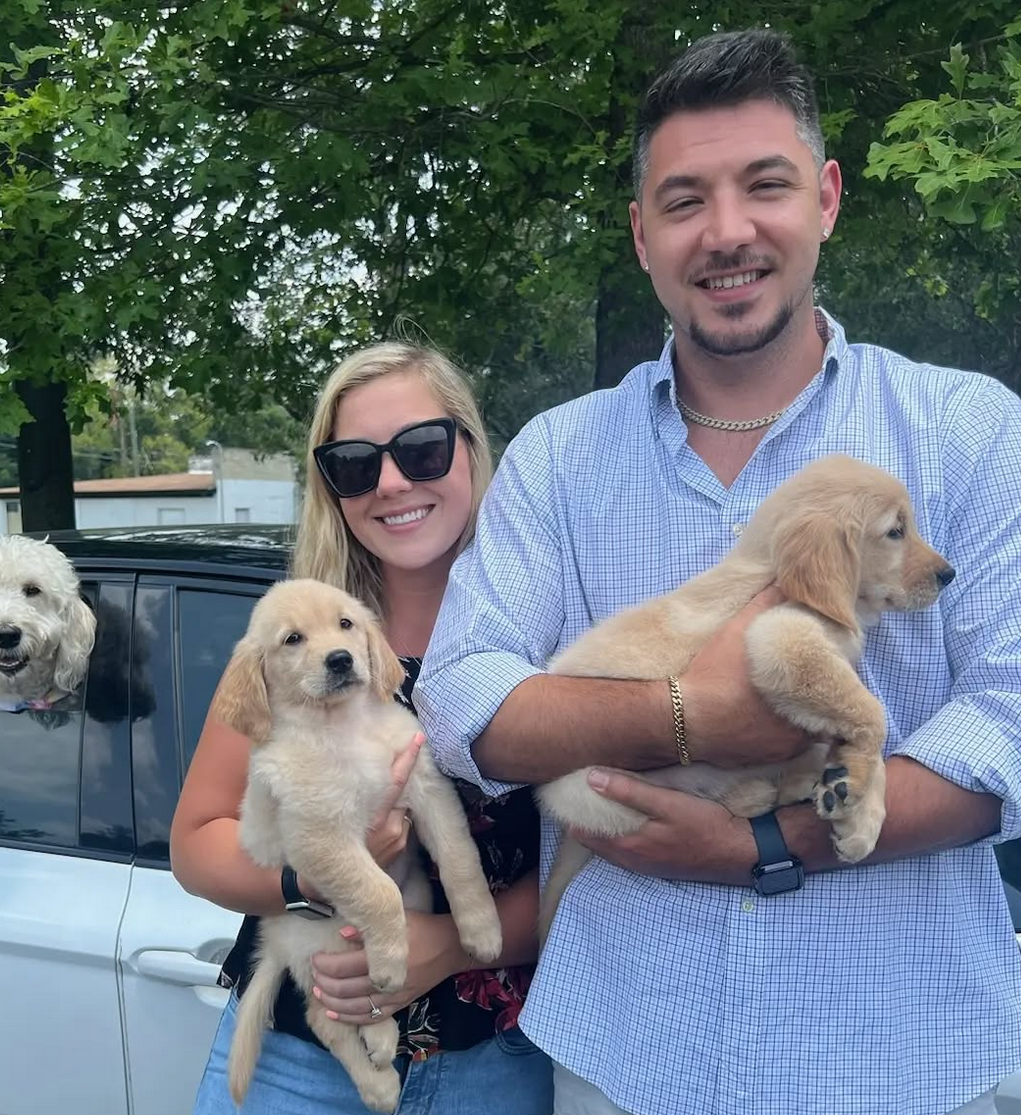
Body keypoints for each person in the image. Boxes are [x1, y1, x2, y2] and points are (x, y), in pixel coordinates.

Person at [415, 29, 1021, 1115]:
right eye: (684, 199)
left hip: (902, 1063)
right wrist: (688, 718)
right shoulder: (559, 455)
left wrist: (754, 844)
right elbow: (463, 698)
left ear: (826, 198)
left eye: (765, 186)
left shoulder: (969, 432)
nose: (727, 231)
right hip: (622, 1057)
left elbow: (1012, 724)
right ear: (641, 233)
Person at [171, 342, 553, 1114]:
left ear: (470, 449)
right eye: (353, 463)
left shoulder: (542, 633)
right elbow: (197, 841)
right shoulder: (292, 640)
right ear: (330, 488)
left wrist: (439, 947)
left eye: (421, 448)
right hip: (301, 1054)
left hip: (497, 1057)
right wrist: (309, 879)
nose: (390, 482)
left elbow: (593, 866)